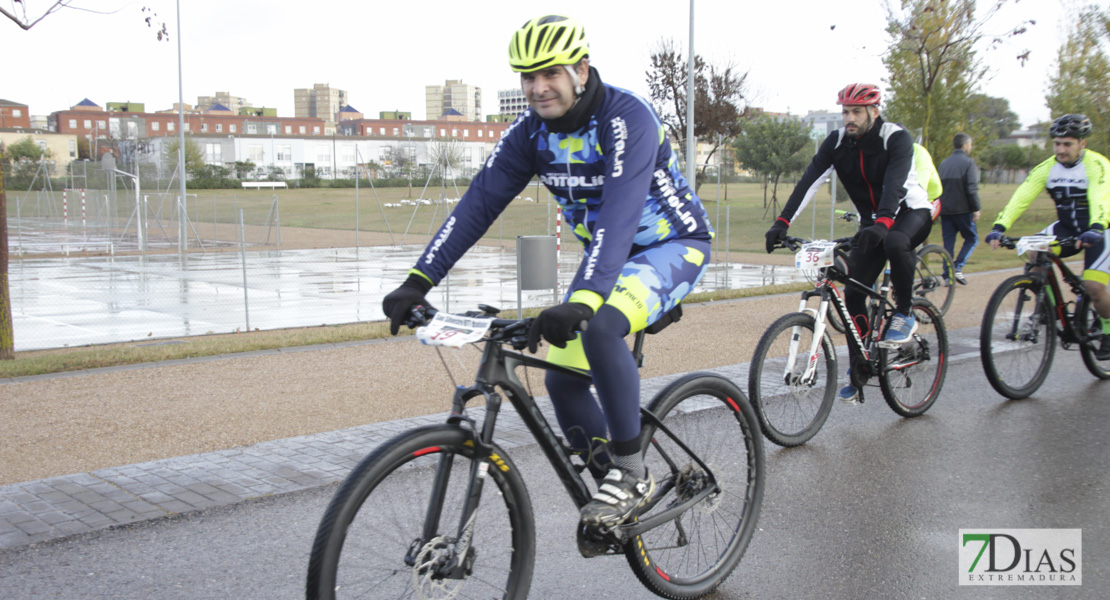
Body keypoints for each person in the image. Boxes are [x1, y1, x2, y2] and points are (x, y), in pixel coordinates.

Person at [381, 15, 714, 529]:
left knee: (600, 326)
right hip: (607, 259)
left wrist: (584, 299)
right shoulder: (530, 133)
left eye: (549, 74)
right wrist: (419, 280)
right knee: (562, 380)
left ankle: (632, 473)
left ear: (580, 69)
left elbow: (622, 213)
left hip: (671, 246)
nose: (537, 88)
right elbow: (478, 205)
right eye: (526, 77)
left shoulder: (626, 119)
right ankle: (613, 495)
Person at [764, 83, 934, 404]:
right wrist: (782, 222)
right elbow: (809, 181)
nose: (849, 118)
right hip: (874, 221)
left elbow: (895, 185)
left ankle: (906, 312)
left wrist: (883, 221)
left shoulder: (896, 138)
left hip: (909, 213)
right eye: (845, 111)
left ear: (875, 111)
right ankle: (862, 363)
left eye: (856, 111)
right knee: (854, 291)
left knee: (897, 242)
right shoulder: (838, 142)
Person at [986, 113, 1110, 360]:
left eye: (1067, 144)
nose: (1061, 149)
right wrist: (1000, 226)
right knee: (1034, 251)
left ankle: (1108, 330)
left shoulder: (1097, 165)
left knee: (1094, 286)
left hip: (1102, 229)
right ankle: (1050, 308)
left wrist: (1096, 227)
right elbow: (1022, 197)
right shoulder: (1047, 168)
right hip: (1066, 227)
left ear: (1082, 144)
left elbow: (1100, 198)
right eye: (1057, 143)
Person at [938, 133, 981, 284]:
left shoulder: (943, 164)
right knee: (972, 238)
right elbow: (971, 188)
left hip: (945, 210)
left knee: (948, 244)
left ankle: (947, 276)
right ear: (965, 146)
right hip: (963, 210)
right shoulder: (969, 163)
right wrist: (976, 208)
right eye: (970, 144)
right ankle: (957, 267)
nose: (971, 147)